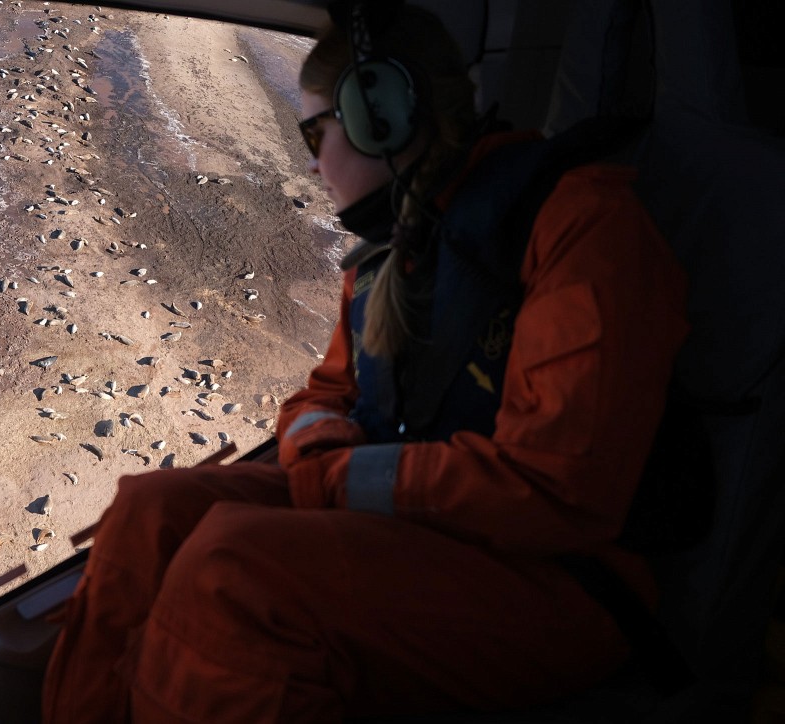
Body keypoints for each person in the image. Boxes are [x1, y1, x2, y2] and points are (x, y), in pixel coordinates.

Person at [41, 3, 689, 721]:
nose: (313, 162)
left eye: (317, 132)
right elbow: (326, 393)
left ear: (384, 118)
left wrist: (348, 479)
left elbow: (560, 489)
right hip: (423, 531)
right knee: (149, 512)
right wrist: (320, 444)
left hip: (559, 579)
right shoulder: (394, 249)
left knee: (237, 570)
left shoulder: (582, 227)